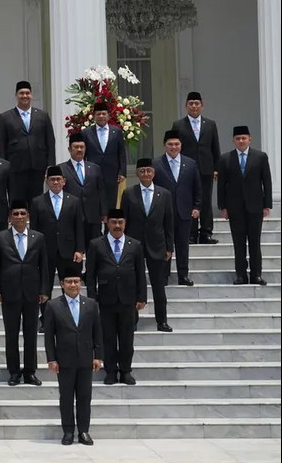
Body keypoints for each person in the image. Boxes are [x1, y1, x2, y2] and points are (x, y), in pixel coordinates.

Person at [85, 209, 147, 385]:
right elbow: (90, 275)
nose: (117, 226)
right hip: (105, 299)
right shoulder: (96, 244)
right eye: (114, 222)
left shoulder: (134, 245)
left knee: (127, 338)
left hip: (128, 299)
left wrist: (141, 297)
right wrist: (92, 298)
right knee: (108, 337)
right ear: (107, 223)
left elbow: (140, 273)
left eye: (120, 222)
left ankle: (126, 371)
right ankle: (110, 371)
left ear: (125, 223)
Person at [43, 267, 103, 446]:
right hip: (64, 360)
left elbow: (97, 332)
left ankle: (83, 431)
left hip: (85, 358)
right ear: (62, 284)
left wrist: (97, 356)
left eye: (76, 281)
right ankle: (68, 431)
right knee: (66, 396)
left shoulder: (91, 304)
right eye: (69, 282)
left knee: (85, 396)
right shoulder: (53, 305)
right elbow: (48, 336)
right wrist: (51, 359)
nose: (73, 285)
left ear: (80, 284)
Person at [0, 201, 48, 386]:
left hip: (32, 292)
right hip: (10, 292)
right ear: (10, 218)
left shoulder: (38, 237)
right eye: (16, 214)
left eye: (23, 213)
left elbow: (44, 266)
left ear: (28, 216)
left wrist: (44, 290)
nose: (20, 217)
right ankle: (14, 372)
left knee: (31, 334)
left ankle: (30, 372)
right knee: (12, 334)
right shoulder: (1, 237)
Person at [121, 160, 175, 332]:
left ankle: (162, 320)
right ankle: (133, 320)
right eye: (142, 171)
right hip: (134, 245)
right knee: (134, 284)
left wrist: (169, 247)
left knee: (159, 284)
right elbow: (124, 221)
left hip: (157, 245)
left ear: (153, 173)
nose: (145, 174)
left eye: (148, 171)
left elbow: (169, 222)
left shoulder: (164, 194)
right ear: (137, 173)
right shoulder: (129, 193)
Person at [217, 125, 273, 285]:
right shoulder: (225, 159)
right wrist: (223, 206)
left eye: (244, 138)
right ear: (233, 140)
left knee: (255, 241)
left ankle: (256, 274)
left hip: (255, 206)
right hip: (235, 207)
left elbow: (266, 181)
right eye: (238, 138)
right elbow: (222, 185)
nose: (241, 141)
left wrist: (267, 204)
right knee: (238, 242)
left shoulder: (260, 157)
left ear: (250, 139)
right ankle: (241, 275)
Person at [30, 166, 85, 322]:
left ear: (64, 181)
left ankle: (68, 316)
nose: (55, 182)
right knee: (44, 286)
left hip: (68, 250)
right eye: (52, 180)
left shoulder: (73, 201)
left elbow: (78, 227)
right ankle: (46, 319)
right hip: (46, 251)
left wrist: (79, 250)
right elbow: (34, 230)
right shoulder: (37, 202)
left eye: (58, 179)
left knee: (68, 285)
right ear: (47, 182)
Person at [171, 92, 221, 244]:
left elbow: (215, 147)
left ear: (202, 105)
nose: (194, 106)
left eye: (196, 103)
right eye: (191, 103)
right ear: (186, 106)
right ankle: (191, 234)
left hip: (206, 168)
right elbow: (174, 147)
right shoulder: (178, 125)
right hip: (187, 169)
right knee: (189, 201)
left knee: (205, 200)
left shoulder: (210, 124)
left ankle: (206, 233)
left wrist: (216, 168)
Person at [154, 130, 202, 286]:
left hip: (184, 211)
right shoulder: (156, 164)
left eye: (176, 144)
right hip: (163, 213)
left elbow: (197, 187)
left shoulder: (190, 163)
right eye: (170, 144)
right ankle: (163, 275)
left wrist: (196, 206)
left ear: (181, 146)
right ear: (164, 145)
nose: (173, 147)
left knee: (183, 246)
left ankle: (183, 275)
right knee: (164, 246)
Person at [0, 81, 55, 202]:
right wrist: (3, 167)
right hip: (15, 168)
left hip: (38, 166)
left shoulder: (43, 116)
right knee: (17, 202)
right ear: (16, 95)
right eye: (21, 93)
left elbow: (50, 141)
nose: (25, 96)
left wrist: (50, 165)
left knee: (37, 201)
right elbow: (0, 144)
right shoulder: (5, 117)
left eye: (27, 93)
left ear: (31, 95)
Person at [61, 132, 108, 245]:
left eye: (82, 147)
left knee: (94, 249)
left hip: (92, 216)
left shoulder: (95, 168)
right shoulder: (61, 169)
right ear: (69, 149)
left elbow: (101, 191)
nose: (79, 150)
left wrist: (104, 212)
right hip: (72, 216)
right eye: (76, 147)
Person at [83, 102, 127, 208]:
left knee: (111, 203)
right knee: (95, 204)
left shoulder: (116, 132)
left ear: (108, 115)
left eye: (103, 113)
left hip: (112, 173)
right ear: (94, 116)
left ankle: (109, 225)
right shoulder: (86, 133)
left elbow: (121, 154)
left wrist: (122, 172)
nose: (101, 116)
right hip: (93, 174)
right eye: (98, 114)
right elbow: (84, 155)